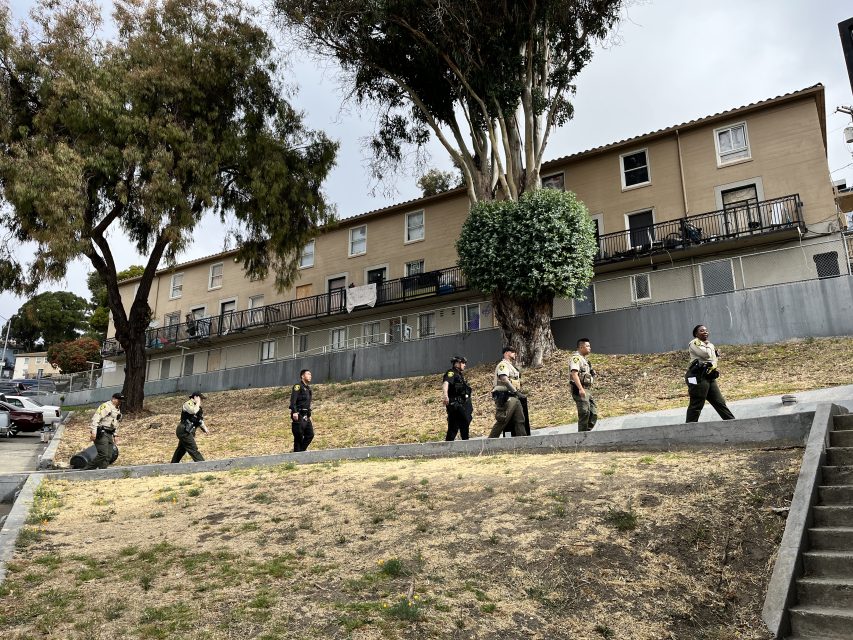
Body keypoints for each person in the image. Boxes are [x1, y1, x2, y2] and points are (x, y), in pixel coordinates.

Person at [685, 324, 735, 423]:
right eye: (702, 331)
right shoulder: (694, 343)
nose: (705, 332)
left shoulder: (710, 345)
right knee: (697, 404)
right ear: (696, 334)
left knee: (720, 402)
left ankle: (733, 423)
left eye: (706, 330)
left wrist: (715, 362)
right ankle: (689, 428)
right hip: (697, 377)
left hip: (709, 377)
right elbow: (706, 355)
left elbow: (713, 359)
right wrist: (707, 346)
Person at [494, 345, 530, 435]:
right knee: (503, 419)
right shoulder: (503, 365)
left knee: (520, 420)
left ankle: (523, 442)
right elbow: (504, 379)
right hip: (506, 396)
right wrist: (515, 391)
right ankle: (489, 442)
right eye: (513, 352)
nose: (515, 354)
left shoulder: (511, 366)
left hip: (514, 396)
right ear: (506, 353)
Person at [84, 392, 124, 470]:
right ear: (113, 399)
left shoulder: (117, 409)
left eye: (121, 401)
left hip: (109, 433)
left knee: (109, 455)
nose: (120, 402)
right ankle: (88, 469)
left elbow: (116, 423)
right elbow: (96, 419)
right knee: (103, 454)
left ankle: (102, 470)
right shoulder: (106, 406)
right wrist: (94, 432)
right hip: (101, 433)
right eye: (119, 400)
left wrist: (116, 435)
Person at [171, 391, 209, 463]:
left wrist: (205, 428)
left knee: (181, 449)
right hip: (183, 429)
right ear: (195, 397)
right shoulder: (188, 404)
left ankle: (172, 465)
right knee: (193, 448)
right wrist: (197, 403)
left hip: (189, 430)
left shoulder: (198, 408)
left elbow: (199, 420)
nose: (202, 401)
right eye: (201, 399)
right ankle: (203, 464)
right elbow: (193, 411)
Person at [442, 355, 473, 441]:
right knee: (464, 422)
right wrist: (445, 396)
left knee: (453, 427)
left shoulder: (460, 375)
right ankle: (466, 442)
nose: (464, 365)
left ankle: (448, 445)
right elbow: (446, 383)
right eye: (463, 363)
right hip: (454, 403)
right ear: (456, 364)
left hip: (459, 403)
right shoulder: (451, 373)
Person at [569, 338, 598, 432]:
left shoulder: (584, 360)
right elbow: (574, 374)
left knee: (593, 413)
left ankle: (586, 433)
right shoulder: (576, 358)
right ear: (581, 347)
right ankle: (582, 437)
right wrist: (580, 389)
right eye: (587, 346)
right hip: (580, 389)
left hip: (587, 389)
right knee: (584, 413)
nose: (590, 348)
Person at [290, 369, 315, 452]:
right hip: (299, 414)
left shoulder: (308, 389)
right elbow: (293, 400)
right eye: (308, 374)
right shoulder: (298, 386)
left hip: (306, 415)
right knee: (298, 436)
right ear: (302, 376)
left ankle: (301, 452)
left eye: (310, 374)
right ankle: (297, 455)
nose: (310, 376)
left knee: (310, 434)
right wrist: (294, 412)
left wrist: (309, 415)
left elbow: (307, 404)